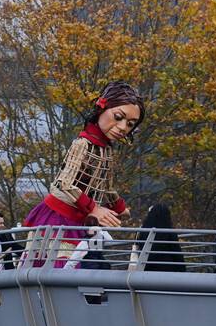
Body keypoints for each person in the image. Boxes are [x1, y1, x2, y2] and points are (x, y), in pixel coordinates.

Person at [21, 81, 143, 268]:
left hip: (78, 220)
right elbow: (64, 183)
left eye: (130, 124)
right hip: (58, 217)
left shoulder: (106, 151)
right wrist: (94, 208)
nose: (123, 127)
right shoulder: (82, 144)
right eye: (118, 117)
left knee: (74, 269)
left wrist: (119, 207)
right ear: (102, 108)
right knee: (58, 268)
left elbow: (105, 186)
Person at [139, 202, 184, 271]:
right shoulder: (169, 231)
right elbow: (177, 254)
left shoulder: (144, 231)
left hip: (147, 269)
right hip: (169, 270)